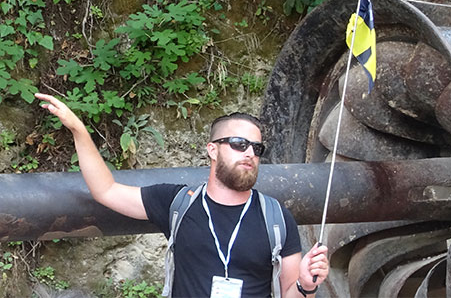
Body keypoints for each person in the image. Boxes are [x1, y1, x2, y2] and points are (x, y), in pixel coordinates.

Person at [35, 92, 329, 298]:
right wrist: (78, 130)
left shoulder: (276, 218)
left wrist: (306, 284)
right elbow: (106, 190)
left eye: (257, 148)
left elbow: (295, 295)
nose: (250, 153)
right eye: (239, 144)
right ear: (212, 149)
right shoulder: (178, 204)